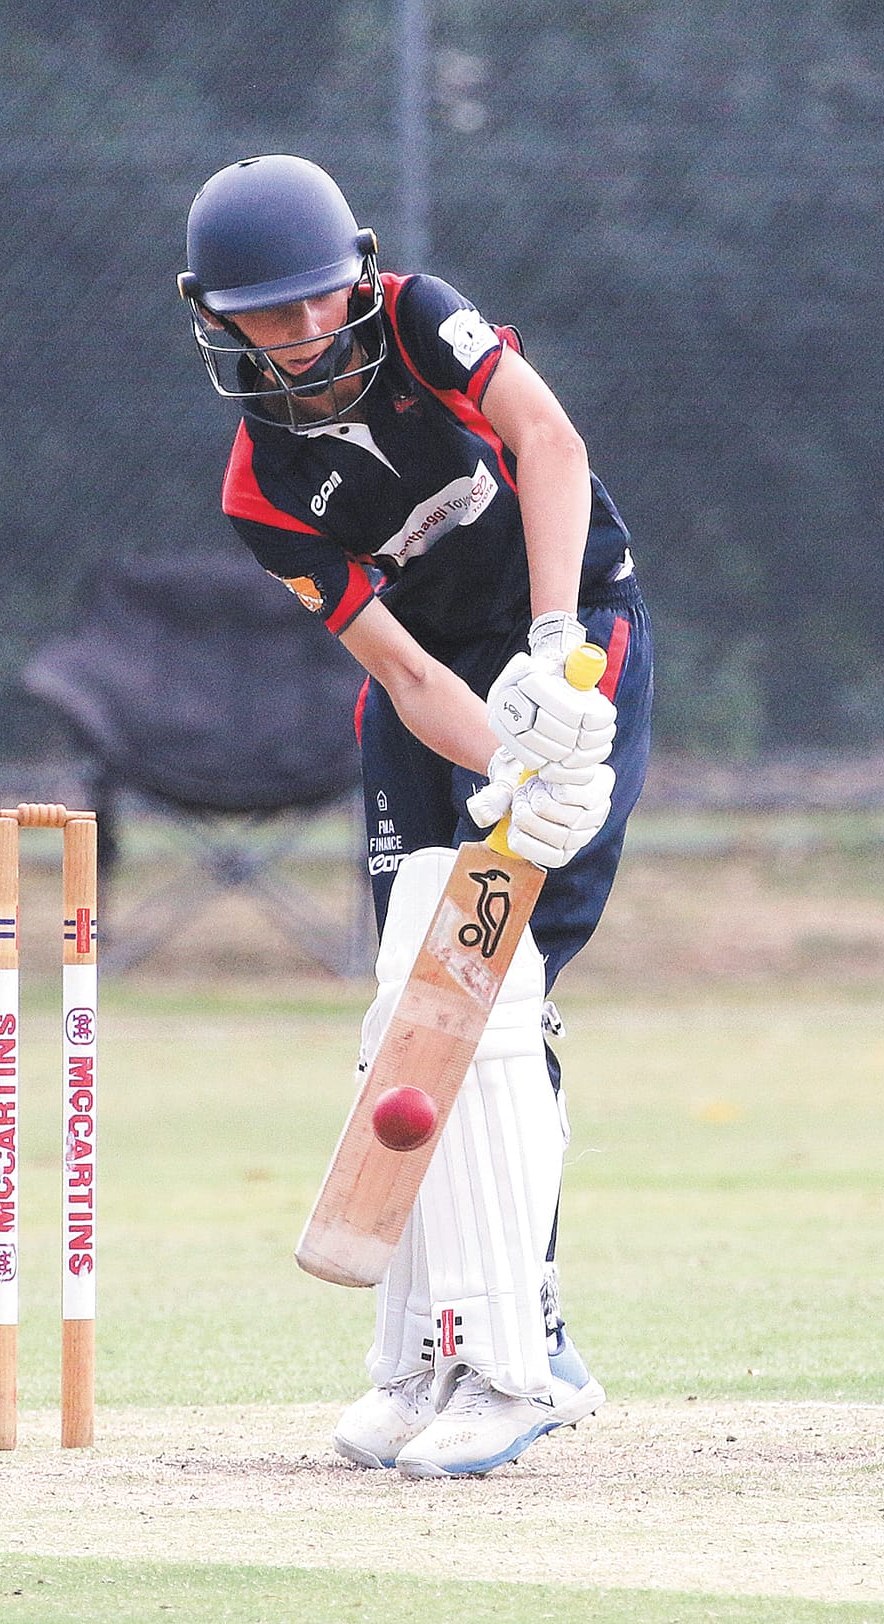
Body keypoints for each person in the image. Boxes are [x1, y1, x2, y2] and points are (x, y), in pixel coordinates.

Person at [178, 154, 652, 1477]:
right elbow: (403, 674)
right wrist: (507, 756)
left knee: (494, 982)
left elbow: (552, 445)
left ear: (357, 274)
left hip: (572, 629)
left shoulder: (419, 318)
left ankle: (522, 1352)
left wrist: (553, 659)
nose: (303, 330)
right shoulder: (260, 492)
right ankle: (430, 1350)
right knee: (413, 997)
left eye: (316, 297)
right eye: (266, 313)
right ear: (217, 318)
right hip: (436, 694)